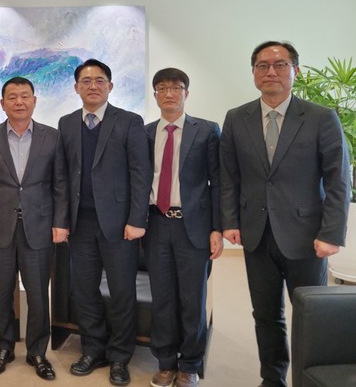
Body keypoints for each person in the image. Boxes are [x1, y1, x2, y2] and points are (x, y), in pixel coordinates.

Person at [220, 40, 351, 387]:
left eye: (280, 64)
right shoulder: (237, 118)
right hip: (256, 234)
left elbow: (338, 180)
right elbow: (229, 176)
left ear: (296, 70)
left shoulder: (321, 117)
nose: (271, 72)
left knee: (310, 313)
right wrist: (230, 221)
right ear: (253, 73)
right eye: (262, 65)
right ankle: (272, 377)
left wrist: (331, 234)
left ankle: (307, 379)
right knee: (265, 314)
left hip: (307, 237)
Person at [55, 58, 152, 386]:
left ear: (110, 86)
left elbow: (140, 174)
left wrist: (137, 219)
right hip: (80, 225)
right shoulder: (67, 123)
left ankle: (120, 356)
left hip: (119, 225)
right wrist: (61, 220)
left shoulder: (129, 121)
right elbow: (62, 176)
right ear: (76, 87)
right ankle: (92, 349)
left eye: (99, 80)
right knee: (83, 290)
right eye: (86, 81)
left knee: (122, 291)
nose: (93, 86)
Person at [0, 77, 68, 380]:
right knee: (2, 290)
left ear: (34, 101)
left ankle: (37, 351)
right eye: (12, 97)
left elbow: (60, 184)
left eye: (25, 96)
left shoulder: (53, 137)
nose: (19, 102)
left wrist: (60, 222)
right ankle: (3, 347)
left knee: (38, 293)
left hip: (39, 226)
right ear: (2, 104)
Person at [144, 68, 222, 387]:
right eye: (162, 88)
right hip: (156, 225)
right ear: (155, 95)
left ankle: (190, 364)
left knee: (192, 299)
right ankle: (165, 361)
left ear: (186, 93)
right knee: (162, 297)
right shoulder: (145, 133)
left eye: (175, 88)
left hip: (194, 227)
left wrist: (217, 229)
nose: (169, 93)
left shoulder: (206, 131)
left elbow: (217, 182)